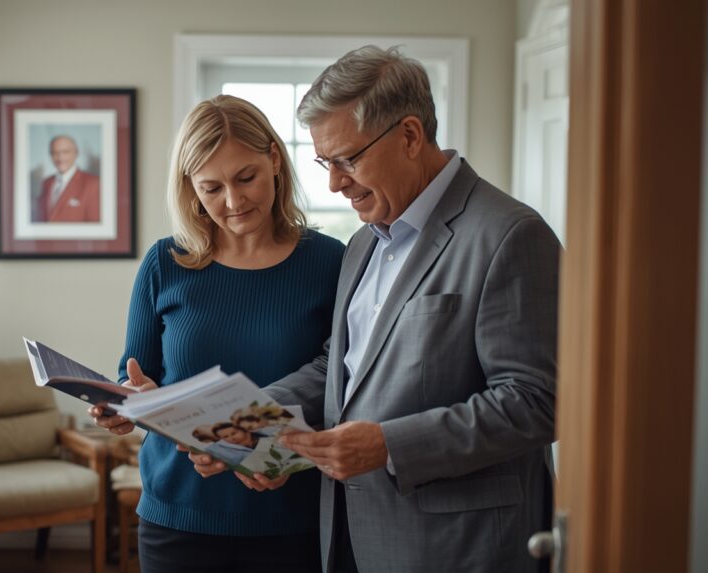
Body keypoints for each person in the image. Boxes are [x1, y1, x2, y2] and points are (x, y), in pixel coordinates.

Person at [192, 46, 560, 573]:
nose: (334, 183)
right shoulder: (365, 242)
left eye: (348, 159)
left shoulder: (510, 235)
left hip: (461, 549)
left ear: (410, 136)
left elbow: (540, 402)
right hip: (348, 537)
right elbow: (339, 370)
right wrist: (249, 420)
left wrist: (389, 445)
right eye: (325, 162)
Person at [88, 94, 346, 572]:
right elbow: (135, 372)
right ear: (190, 188)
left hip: (291, 518)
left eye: (246, 177)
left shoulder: (331, 263)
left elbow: (341, 387)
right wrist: (129, 402)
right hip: (179, 517)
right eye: (211, 188)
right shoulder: (164, 264)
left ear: (274, 158)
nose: (233, 201)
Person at [35, 134, 100, 222]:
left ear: (76, 153)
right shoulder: (47, 183)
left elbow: (96, 227)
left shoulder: (93, 183)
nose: (60, 157)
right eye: (55, 152)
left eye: (65, 152)